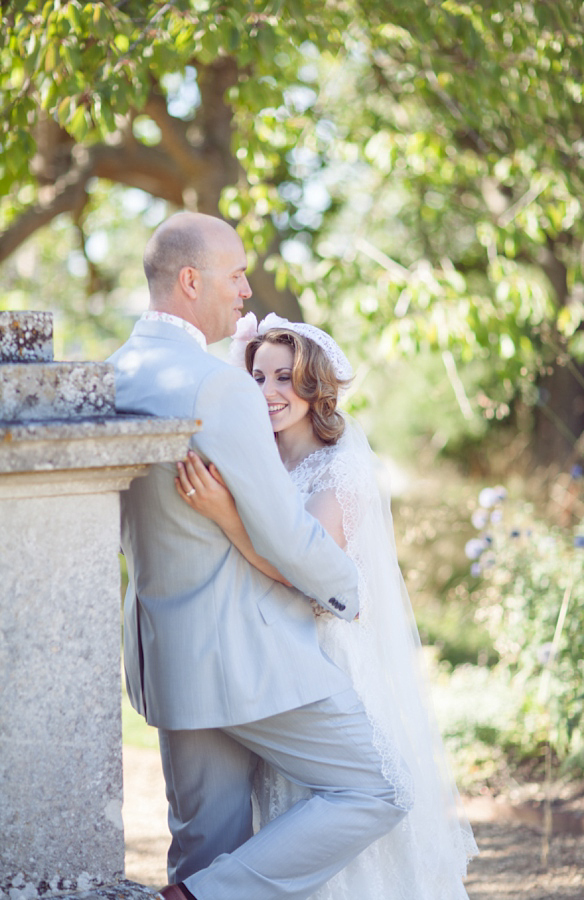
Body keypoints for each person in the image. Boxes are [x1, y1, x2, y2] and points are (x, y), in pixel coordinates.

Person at [108, 212, 408, 900]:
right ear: (191, 280)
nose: (246, 291)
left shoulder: (116, 375)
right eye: (235, 274)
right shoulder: (218, 385)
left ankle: (195, 888)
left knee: (204, 844)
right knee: (377, 787)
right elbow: (282, 531)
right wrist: (350, 587)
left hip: (167, 654)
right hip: (249, 656)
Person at [177, 311, 479, 900]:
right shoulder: (258, 460)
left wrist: (225, 517)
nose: (268, 393)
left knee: (350, 795)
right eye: (258, 377)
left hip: (329, 654)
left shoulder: (344, 469)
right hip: (269, 649)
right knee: (288, 804)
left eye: (286, 378)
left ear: (316, 388)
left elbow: (304, 570)